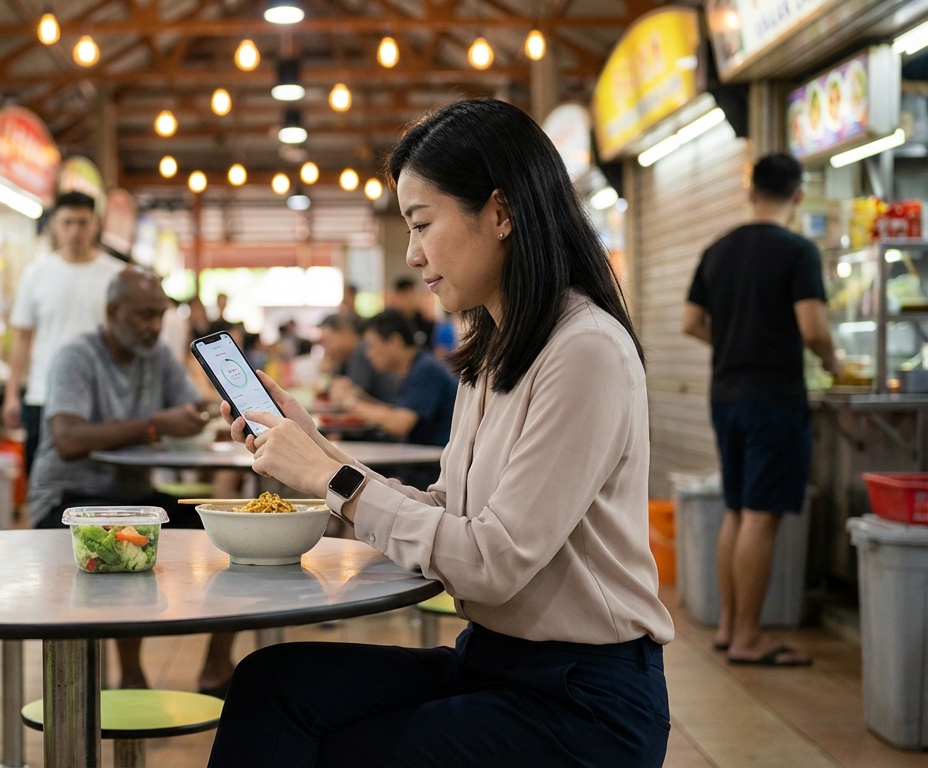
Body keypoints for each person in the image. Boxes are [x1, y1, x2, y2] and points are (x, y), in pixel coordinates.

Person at [208, 99, 673, 767]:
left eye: (422, 223)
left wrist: (328, 478)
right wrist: (319, 452)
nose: (412, 253)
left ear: (501, 212)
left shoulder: (585, 349)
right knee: (270, 685)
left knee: (342, 752)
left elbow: (492, 562)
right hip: (495, 662)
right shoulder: (492, 347)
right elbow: (446, 514)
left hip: (584, 701)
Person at [28, 265, 235, 697]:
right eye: (143, 315)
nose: (153, 327)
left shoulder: (155, 356)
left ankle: (217, 665)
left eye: (159, 315)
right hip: (68, 500)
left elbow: (189, 410)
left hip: (135, 498)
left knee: (233, 540)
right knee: (126, 548)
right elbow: (66, 438)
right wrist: (155, 425)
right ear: (111, 311)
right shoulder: (76, 357)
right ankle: (128, 675)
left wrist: (213, 415)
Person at [682, 152, 838, 668]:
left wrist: (731, 344)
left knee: (737, 508)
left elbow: (690, 322)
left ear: (751, 194)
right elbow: (814, 329)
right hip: (774, 398)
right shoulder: (797, 251)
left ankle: (730, 627)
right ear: (798, 195)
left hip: (726, 395)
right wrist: (834, 362)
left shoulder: (717, 250)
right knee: (760, 517)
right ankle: (750, 636)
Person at [2, 191, 124, 480]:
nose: (74, 231)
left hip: (100, 400)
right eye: (67, 222)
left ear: (95, 224)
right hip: (44, 395)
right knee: (42, 482)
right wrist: (11, 395)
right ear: (55, 224)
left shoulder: (117, 275)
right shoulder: (36, 274)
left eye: (82, 223)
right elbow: (22, 338)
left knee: (98, 486)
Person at [330, 309, 457, 447]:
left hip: (431, 463)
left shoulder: (425, 370)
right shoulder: (417, 365)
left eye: (372, 345)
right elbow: (394, 412)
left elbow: (399, 424)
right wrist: (356, 394)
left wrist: (350, 403)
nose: (368, 354)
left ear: (394, 341)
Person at [388, 275, 435, 348]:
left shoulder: (424, 323)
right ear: (401, 295)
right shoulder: (387, 323)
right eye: (415, 295)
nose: (419, 299)